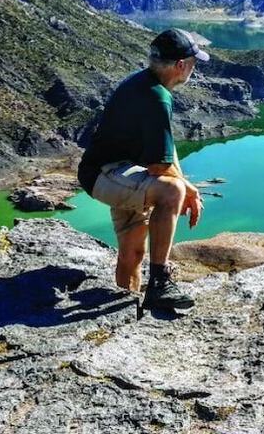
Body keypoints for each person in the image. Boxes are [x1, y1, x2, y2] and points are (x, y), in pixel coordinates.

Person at [77, 28, 208, 311]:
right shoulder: (158, 96)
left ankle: (126, 303)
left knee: (133, 252)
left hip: (115, 172)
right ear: (180, 66)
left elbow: (166, 151)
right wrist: (184, 188)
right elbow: (160, 166)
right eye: (193, 63)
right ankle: (159, 283)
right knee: (171, 190)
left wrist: (189, 185)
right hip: (107, 174)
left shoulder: (145, 84)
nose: (194, 69)